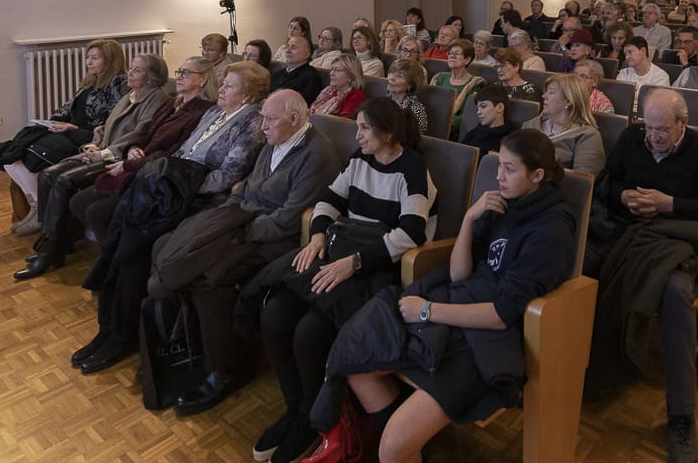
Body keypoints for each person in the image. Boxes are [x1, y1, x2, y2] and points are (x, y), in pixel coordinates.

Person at [313, 128, 575, 463]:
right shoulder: (502, 204)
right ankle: (404, 442)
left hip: (488, 340)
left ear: (537, 175)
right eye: (499, 165)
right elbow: (458, 275)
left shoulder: (550, 231)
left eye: (509, 169)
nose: (499, 176)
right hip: (459, 306)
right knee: (357, 365)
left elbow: (501, 315)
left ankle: (398, 445)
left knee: (392, 447)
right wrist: (470, 219)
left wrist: (427, 310)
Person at [253, 98, 437, 462]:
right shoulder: (360, 159)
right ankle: (295, 408)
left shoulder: (412, 168)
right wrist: (318, 235)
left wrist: (354, 263)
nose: (358, 135)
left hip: (378, 267)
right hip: (342, 251)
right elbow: (328, 200)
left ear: (387, 134)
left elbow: (411, 234)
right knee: (274, 314)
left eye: (365, 128)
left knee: (309, 333)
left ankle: (313, 419)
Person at [73, 61, 268, 375]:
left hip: (198, 198)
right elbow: (182, 153)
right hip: (171, 188)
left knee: (131, 251)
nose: (220, 89)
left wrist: (179, 186)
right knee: (120, 238)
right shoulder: (214, 113)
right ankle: (107, 328)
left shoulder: (252, 123)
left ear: (247, 95)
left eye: (229, 85)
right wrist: (167, 180)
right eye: (223, 83)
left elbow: (228, 175)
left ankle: (120, 335)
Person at [156, 89, 341, 416]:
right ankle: (194, 347)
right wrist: (224, 221)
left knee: (210, 279)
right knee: (170, 245)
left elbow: (288, 220)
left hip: (275, 240)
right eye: (263, 118)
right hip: (242, 224)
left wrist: (239, 233)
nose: (262, 126)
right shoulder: (274, 141)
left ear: (293, 119)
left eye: (270, 119)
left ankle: (228, 369)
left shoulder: (317, 154)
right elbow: (245, 191)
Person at [586, 88, 698, 463]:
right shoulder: (632, 137)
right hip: (626, 233)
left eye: (661, 130)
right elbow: (607, 182)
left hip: (674, 241)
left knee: (675, 293)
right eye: (648, 127)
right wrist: (624, 197)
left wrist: (669, 203)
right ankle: (578, 368)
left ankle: (682, 417)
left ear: (682, 123)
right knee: (577, 263)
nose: (653, 137)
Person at [13, 54, 169, 279]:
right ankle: (55, 242)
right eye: (131, 68)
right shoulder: (131, 95)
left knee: (65, 180)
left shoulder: (156, 99)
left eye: (137, 70)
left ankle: (49, 251)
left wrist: (103, 153)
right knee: (47, 175)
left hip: (116, 157)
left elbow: (139, 135)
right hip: (101, 150)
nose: (129, 73)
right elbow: (106, 126)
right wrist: (94, 144)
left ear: (151, 76)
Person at [66, 58, 218, 250]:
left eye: (186, 73)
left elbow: (172, 152)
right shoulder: (173, 102)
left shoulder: (203, 112)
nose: (179, 77)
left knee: (96, 212)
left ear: (203, 79)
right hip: (137, 161)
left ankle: (117, 256)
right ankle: (114, 251)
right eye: (179, 71)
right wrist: (134, 147)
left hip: (152, 174)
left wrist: (129, 164)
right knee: (78, 202)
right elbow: (145, 129)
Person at [0, 38, 127, 232]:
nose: (88, 62)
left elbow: (113, 122)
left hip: (87, 137)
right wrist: (55, 121)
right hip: (69, 131)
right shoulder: (89, 82)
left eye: (95, 58)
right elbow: (67, 107)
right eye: (88, 57)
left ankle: (43, 211)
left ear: (110, 60)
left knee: (28, 158)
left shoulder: (118, 83)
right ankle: (39, 206)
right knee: (11, 154)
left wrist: (73, 128)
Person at [522, 73, 605, 175]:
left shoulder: (588, 135)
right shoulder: (531, 124)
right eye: (546, 92)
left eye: (551, 92)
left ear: (569, 101)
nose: (544, 96)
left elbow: (583, 180)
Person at [429, 39, 485, 138]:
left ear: (467, 60)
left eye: (457, 54)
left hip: (454, 132)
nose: (452, 56)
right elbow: (431, 104)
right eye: (450, 53)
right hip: (432, 124)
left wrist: (442, 120)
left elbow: (466, 117)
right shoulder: (440, 77)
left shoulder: (474, 83)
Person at [461, 85, 518, 157]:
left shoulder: (512, 140)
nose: (478, 112)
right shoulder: (472, 135)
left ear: (500, 107)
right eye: (477, 109)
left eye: (483, 106)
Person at [308, 53, 367, 119]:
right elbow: (310, 110)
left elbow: (343, 122)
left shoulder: (356, 96)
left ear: (351, 76)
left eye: (337, 70)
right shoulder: (328, 91)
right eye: (331, 69)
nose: (331, 73)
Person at [616, 36, 672, 106]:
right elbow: (618, 98)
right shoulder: (623, 73)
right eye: (625, 54)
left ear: (643, 51)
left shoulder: (660, 76)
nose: (627, 57)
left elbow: (658, 105)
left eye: (630, 52)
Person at [270, 34, 322, 105]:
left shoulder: (311, 76)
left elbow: (301, 104)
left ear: (306, 54)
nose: (288, 50)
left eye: (293, 47)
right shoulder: (277, 74)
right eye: (287, 46)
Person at [386, 58, 429, 134]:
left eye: (399, 76)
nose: (391, 78)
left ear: (411, 85)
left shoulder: (415, 109)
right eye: (391, 73)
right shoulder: (384, 100)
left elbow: (414, 138)